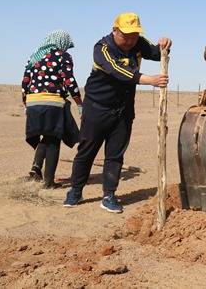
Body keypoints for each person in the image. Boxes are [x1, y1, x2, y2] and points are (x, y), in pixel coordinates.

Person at [63, 13, 171, 213]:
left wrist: (165, 45)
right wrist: (150, 81)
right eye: (126, 35)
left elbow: (157, 54)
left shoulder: (138, 43)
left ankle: (109, 196)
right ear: (115, 30)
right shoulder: (102, 48)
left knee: (115, 155)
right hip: (97, 109)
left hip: (123, 110)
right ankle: (75, 191)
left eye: (134, 35)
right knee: (87, 151)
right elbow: (117, 71)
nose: (130, 40)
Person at [22, 30, 82, 188]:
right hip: (52, 103)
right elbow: (69, 81)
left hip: (33, 102)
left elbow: (25, 80)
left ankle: (36, 168)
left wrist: (25, 103)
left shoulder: (35, 56)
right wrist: (79, 102)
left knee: (45, 136)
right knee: (54, 138)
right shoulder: (63, 56)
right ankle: (48, 182)